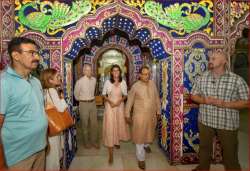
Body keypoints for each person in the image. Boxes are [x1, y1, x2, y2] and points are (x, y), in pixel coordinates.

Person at [191, 51, 249, 171]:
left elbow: (246, 102)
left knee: (229, 152)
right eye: (210, 58)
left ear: (224, 62)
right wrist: (204, 100)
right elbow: (193, 96)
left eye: (214, 58)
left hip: (227, 123)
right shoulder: (202, 78)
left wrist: (224, 104)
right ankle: (202, 168)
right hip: (206, 120)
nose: (210, 60)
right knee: (204, 148)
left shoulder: (236, 80)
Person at [0, 37, 48, 169]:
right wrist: (2, 164)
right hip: (18, 157)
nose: (37, 57)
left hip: (40, 148)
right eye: (32, 53)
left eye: (37, 53)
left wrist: (45, 141)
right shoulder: (3, 83)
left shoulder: (36, 82)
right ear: (16, 55)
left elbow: (39, 114)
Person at [125, 66, 161, 170]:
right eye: (144, 74)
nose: (147, 76)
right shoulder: (135, 86)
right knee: (139, 137)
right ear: (140, 75)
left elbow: (157, 99)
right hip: (139, 116)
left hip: (151, 116)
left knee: (148, 133)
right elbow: (130, 101)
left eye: (148, 74)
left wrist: (158, 111)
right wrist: (127, 114)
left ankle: (146, 145)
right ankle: (141, 159)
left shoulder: (153, 84)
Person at [40, 68, 68, 170]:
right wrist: (62, 96)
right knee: (53, 156)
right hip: (54, 127)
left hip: (47, 126)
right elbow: (61, 108)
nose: (59, 78)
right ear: (50, 80)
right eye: (57, 77)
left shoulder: (44, 90)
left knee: (50, 155)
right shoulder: (52, 90)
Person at [102, 64, 130, 164]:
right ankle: (110, 154)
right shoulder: (107, 82)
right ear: (111, 72)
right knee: (110, 126)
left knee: (118, 124)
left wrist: (119, 101)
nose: (116, 72)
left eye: (117, 70)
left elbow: (125, 95)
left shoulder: (123, 82)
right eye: (114, 70)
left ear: (120, 72)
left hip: (119, 106)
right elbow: (104, 94)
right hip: (110, 106)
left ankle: (117, 141)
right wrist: (110, 102)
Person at [74, 64, 99, 148]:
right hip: (83, 104)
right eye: (87, 70)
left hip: (93, 103)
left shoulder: (94, 80)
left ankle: (94, 141)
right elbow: (76, 95)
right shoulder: (79, 81)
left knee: (94, 124)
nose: (89, 72)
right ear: (84, 71)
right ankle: (86, 142)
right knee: (85, 124)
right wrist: (82, 100)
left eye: (90, 70)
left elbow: (94, 91)